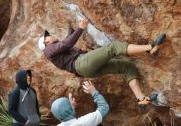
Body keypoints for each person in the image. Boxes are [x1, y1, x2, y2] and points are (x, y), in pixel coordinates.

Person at [38, 19, 166, 107]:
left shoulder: (54, 51)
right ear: (46, 43)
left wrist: (71, 27)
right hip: (82, 63)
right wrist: (80, 28)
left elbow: (67, 41)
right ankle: (150, 47)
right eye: (47, 36)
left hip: (85, 69)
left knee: (126, 67)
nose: (50, 35)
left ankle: (141, 99)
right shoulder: (49, 50)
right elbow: (67, 43)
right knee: (114, 47)